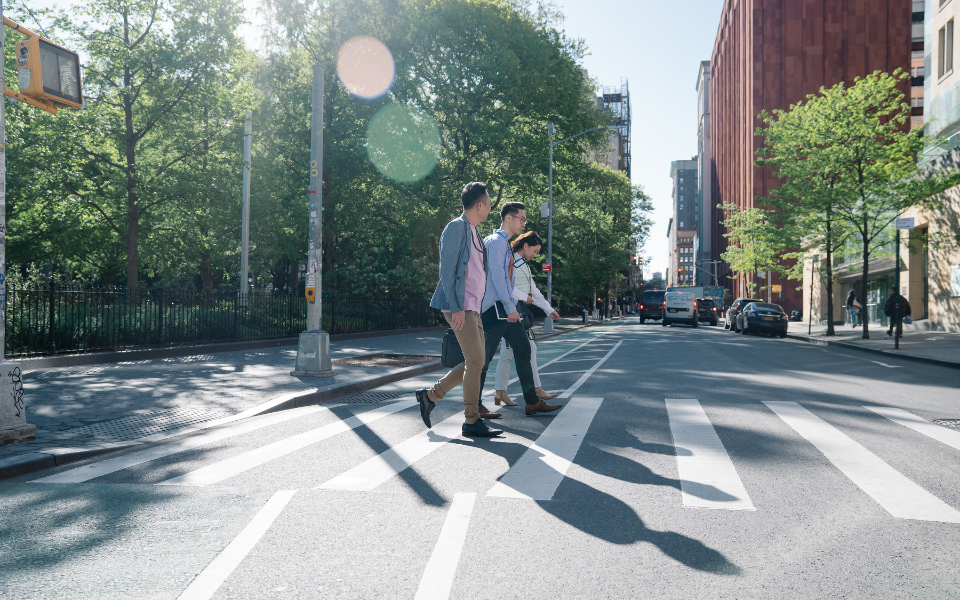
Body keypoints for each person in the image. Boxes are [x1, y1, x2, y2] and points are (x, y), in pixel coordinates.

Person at [416, 182, 503, 438]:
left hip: (472, 306)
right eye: (488, 202)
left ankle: (430, 397)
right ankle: (471, 420)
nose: (490, 207)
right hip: (460, 305)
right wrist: (455, 307)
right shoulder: (456, 228)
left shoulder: (474, 232)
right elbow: (447, 271)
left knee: (473, 361)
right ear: (479, 205)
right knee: (476, 361)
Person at [480, 202, 562, 416]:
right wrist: (510, 307)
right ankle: (472, 404)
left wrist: (546, 308)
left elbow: (521, 286)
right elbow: (499, 280)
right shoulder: (497, 243)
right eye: (521, 219)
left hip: (503, 310)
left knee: (524, 349)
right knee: (483, 359)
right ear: (509, 218)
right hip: (495, 310)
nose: (524, 223)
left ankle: (532, 401)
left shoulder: (504, 244)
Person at [493, 232, 561, 406]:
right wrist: (525, 297)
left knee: (509, 354)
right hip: (511, 313)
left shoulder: (522, 264)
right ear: (525, 246)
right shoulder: (512, 262)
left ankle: (501, 392)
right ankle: (533, 391)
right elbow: (506, 286)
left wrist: (549, 310)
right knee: (521, 351)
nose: (535, 255)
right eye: (535, 251)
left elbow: (535, 291)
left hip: (516, 313)